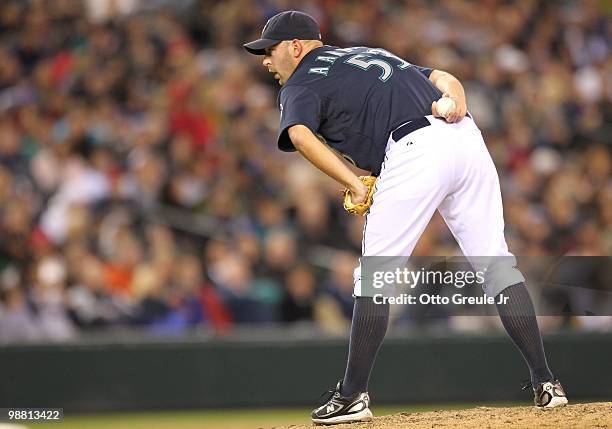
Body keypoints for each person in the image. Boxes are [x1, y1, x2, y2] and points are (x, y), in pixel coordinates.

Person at [244, 10, 568, 425]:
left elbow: (299, 134)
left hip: (414, 148)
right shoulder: (366, 53)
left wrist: (355, 183)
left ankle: (352, 395)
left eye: (270, 51)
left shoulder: (302, 79)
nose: (266, 62)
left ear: (296, 46)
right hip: (465, 138)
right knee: (496, 265)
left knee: (374, 274)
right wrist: (458, 103)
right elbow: (444, 77)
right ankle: (546, 382)